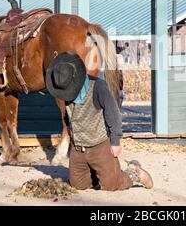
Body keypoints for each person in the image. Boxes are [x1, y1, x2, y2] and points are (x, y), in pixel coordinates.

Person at [45, 52, 153, 191]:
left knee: (111, 185)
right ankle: (99, 173)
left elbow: (113, 114)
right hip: (78, 149)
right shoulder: (66, 89)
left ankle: (134, 173)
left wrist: (115, 142)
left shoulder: (98, 87)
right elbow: (68, 116)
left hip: (100, 146)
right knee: (78, 185)